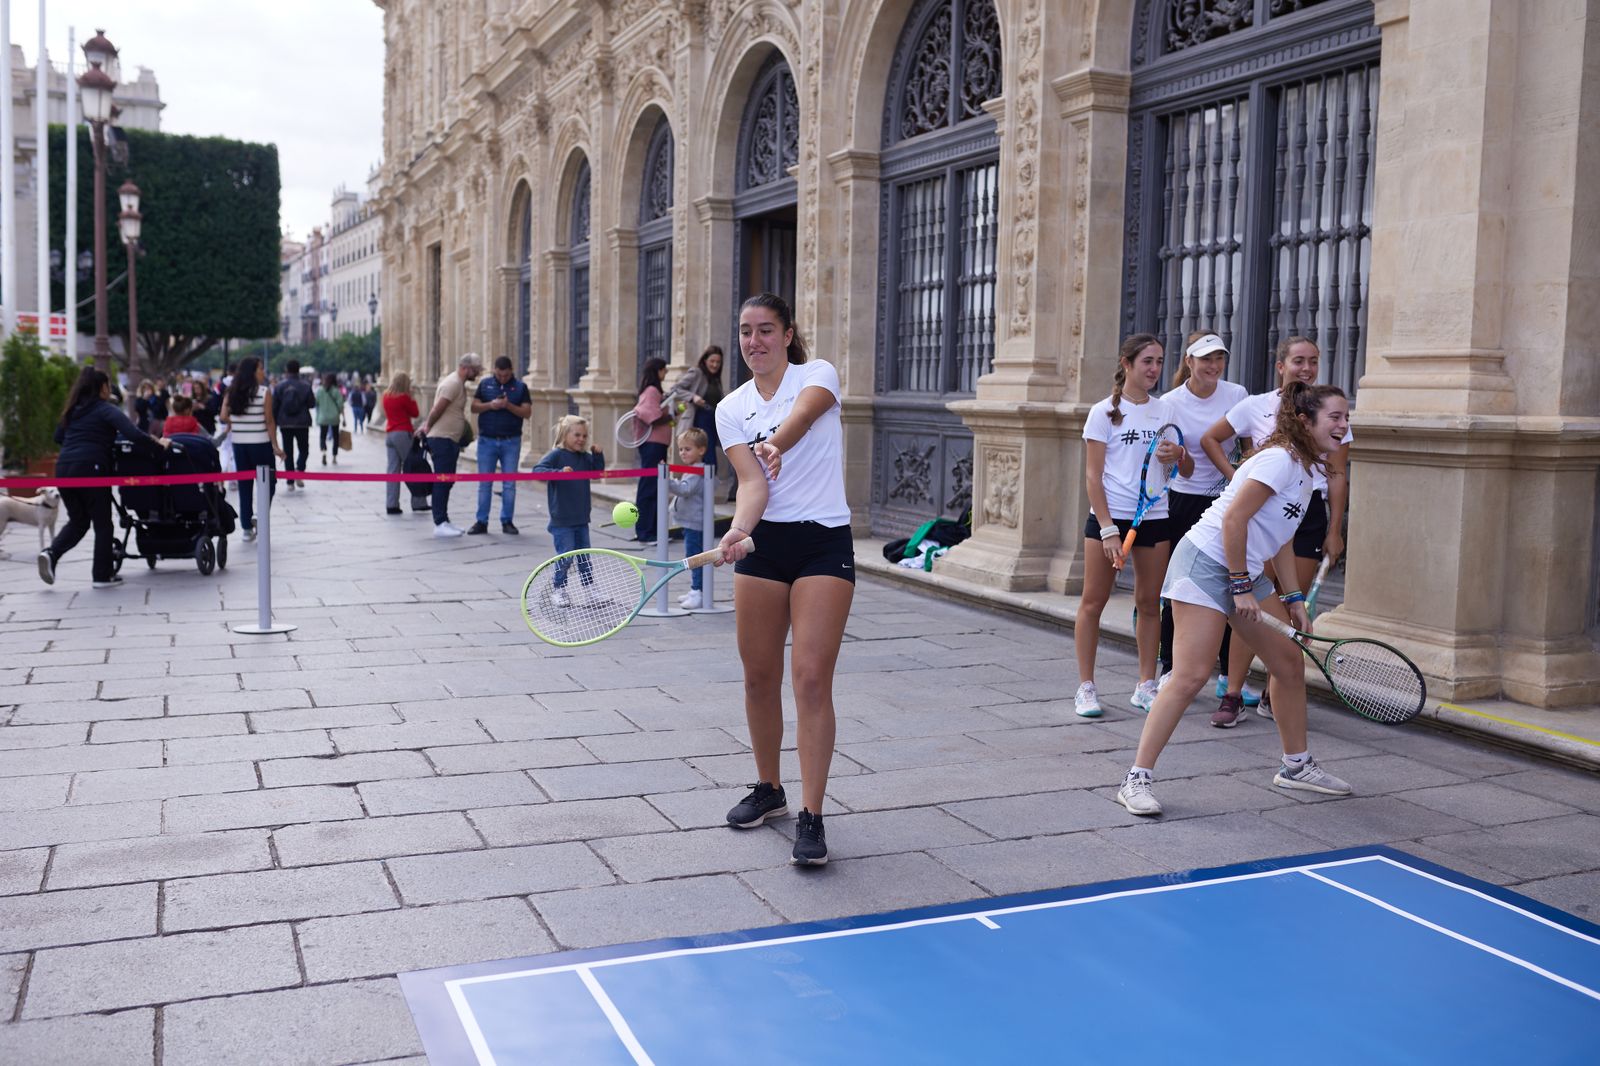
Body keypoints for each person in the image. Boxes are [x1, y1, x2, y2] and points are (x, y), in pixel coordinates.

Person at [1117, 382, 1356, 817]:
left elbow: (1279, 539)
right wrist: (1241, 586)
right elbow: (1233, 520)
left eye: (1345, 417)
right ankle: (1136, 778)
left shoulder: (1309, 469)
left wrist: (1295, 597)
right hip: (1206, 563)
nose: (1344, 425)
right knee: (1190, 676)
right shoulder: (1279, 461)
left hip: (1241, 566)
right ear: (1305, 421)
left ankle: (1296, 766)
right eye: (1335, 417)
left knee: (1287, 664)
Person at [714, 292, 854, 867]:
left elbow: (803, 417)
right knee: (757, 676)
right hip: (764, 545)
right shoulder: (730, 407)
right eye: (746, 331)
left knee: (811, 678)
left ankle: (812, 815)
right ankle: (768, 787)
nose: (754, 342)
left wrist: (775, 443)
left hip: (823, 540)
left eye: (766, 330)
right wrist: (739, 531)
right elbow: (752, 482)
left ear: (788, 334)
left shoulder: (817, 375)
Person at [1200, 336, 1352, 724]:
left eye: (1313, 361)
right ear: (1280, 365)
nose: (1306, 368)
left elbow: (1336, 473)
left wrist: (1335, 529)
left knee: (1290, 607)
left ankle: (1274, 692)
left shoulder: (1329, 413)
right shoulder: (1255, 406)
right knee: (1247, 603)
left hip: (1304, 514)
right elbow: (1211, 439)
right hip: (1259, 517)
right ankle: (1232, 694)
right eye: (1298, 360)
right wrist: (1238, 480)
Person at [1075, 333, 1193, 718]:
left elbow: (1184, 469)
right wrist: (1107, 528)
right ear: (1126, 363)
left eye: (1159, 361)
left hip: (1155, 518)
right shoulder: (1103, 412)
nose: (1155, 369)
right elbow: (1093, 477)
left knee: (1149, 603)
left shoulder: (1166, 411)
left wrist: (1180, 455)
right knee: (1093, 602)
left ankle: (1146, 685)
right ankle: (1086, 688)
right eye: (1147, 361)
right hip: (1110, 519)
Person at [1156, 332, 1249, 721]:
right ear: (1190, 362)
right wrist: (1177, 456)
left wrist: (1246, 476)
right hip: (1184, 499)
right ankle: (1170, 667)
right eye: (1205, 359)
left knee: (1230, 584)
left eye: (1219, 359)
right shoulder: (1170, 403)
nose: (1213, 366)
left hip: (1229, 499)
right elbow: (1177, 466)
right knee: (1181, 588)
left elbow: (1247, 444)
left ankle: (1228, 674)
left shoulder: (1237, 393)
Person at [37, 367, 170, 589]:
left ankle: (51, 554)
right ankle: (102, 575)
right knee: (102, 524)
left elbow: (58, 437)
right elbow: (133, 433)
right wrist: (158, 446)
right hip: (92, 469)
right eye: (108, 385)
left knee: (79, 522)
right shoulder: (105, 409)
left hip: (64, 469)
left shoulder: (72, 410)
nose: (110, 389)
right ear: (102, 388)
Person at [532, 415, 605, 608]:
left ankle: (590, 590)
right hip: (562, 519)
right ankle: (559, 589)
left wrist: (598, 455)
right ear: (565, 434)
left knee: (584, 557)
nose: (581, 439)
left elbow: (598, 473)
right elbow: (537, 471)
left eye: (584, 435)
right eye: (577, 435)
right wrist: (558, 473)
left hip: (581, 518)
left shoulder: (584, 457)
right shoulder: (556, 455)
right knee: (566, 556)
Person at [416, 352, 484, 537]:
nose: (476, 374)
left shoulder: (458, 383)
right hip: (442, 439)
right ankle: (439, 522)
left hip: (449, 440)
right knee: (442, 481)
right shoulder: (453, 383)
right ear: (465, 367)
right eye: (475, 370)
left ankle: (444, 519)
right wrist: (427, 426)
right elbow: (438, 408)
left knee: (447, 481)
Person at [219, 356, 285, 542]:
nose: (263, 372)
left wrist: (238, 422)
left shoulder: (231, 392)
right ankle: (260, 514)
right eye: (260, 369)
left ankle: (247, 528)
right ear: (253, 372)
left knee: (245, 486)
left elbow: (223, 415)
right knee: (269, 483)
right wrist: (275, 446)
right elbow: (269, 421)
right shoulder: (264, 392)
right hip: (261, 444)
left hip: (240, 445)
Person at [469, 356, 532, 535]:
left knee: (509, 484)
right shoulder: (485, 384)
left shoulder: (520, 387)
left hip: (511, 441)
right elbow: (474, 407)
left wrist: (508, 405)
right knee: (484, 483)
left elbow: (527, 412)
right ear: (494, 371)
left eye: (505, 375)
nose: (502, 378)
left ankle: (507, 521)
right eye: (499, 374)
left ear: (511, 371)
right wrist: (491, 405)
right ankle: (481, 521)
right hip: (487, 441)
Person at [664, 428, 709, 610]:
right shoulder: (691, 469)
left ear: (701, 450)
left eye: (687, 449)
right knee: (692, 557)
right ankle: (695, 589)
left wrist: (667, 479)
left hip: (695, 524)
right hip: (689, 522)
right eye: (681, 449)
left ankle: (698, 591)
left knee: (694, 558)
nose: (683, 453)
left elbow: (685, 489)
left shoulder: (697, 471)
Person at [632, 357, 674, 545]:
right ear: (658, 371)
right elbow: (649, 416)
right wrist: (670, 415)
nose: (665, 373)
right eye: (664, 370)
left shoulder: (654, 391)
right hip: (653, 444)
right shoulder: (652, 390)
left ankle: (654, 531)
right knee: (649, 487)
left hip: (657, 444)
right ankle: (645, 532)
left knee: (656, 487)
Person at [667, 345, 725, 473]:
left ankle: (706, 490)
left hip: (712, 422)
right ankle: (700, 490)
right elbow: (675, 389)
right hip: (698, 420)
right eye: (712, 361)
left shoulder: (715, 379)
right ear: (705, 361)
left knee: (710, 460)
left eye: (718, 362)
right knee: (705, 459)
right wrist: (693, 397)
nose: (715, 365)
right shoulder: (696, 373)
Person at [272, 360, 315, 490]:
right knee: (304, 449)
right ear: (298, 370)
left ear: (287, 370)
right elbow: (312, 404)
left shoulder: (279, 387)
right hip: (302, 423)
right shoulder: (306, 385)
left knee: (288, 451)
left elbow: (275, 407)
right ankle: (299, 471)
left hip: (285, 424)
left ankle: (290, 481)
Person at [381, 372, 420, 516]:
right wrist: (412, 397)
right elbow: (415, 413)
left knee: (392, 471)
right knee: (413, 467)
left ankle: (391, 505)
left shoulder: (386, 396)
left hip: (390, 434)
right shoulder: (403, 397)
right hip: (403, 433)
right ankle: (419, 502)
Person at [315, 372, 346, 465]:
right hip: (334, 417)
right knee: (335, 437)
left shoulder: (319, 390)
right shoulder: (336, 391)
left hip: (323, 417)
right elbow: (341, 405)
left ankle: (324, 452)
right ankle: (334, 457)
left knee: (322, 436)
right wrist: (344, 418)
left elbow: (316, 403)